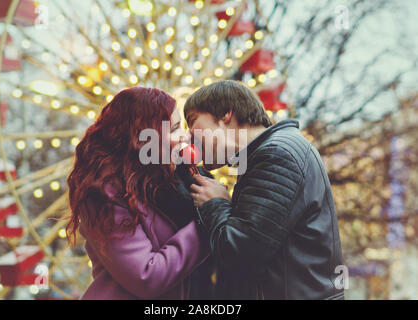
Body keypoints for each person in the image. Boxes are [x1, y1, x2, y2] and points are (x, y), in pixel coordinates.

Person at [185, 80, 345, 300]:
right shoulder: (273, 151)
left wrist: (216, 204)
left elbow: (240, 255)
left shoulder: (276, 155)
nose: (190, 137)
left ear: (225, 115)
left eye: (192, 122)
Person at [65, 87, 210, 299]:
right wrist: (209, 218)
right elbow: (147, 276)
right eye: (175, 129)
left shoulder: (177, 178)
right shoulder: (104, 194)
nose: (185, 135)